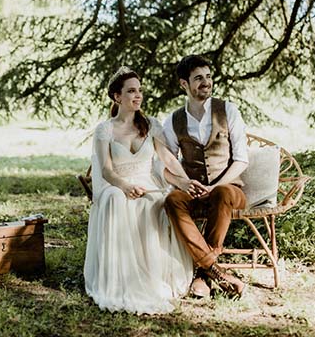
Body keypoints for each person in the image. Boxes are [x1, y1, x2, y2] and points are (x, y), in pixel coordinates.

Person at [84, 66, 195, 314]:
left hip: (147, 183)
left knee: (153, 201)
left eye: (140, 90)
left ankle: (155, 275)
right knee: (115, 199)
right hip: (118, 183)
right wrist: (125, 186)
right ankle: (118, 278)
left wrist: (185, 180)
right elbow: (106, 170)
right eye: (131, 91)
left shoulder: (151, 125)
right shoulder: (105, 130)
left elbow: (167, 158)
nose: (138, 95)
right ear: (117, 96)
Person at [162, 54, 248, 299]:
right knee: (172, 200)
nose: (206, 82)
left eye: (208, 77)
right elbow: (166, 167)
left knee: (221, 192)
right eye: (198, 78)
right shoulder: (174, 120)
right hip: (195, 193)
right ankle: (215, 271)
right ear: (184, 84)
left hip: (229, 191)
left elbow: (242, 160)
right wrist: (183, 183)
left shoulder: (228, 110)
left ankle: (203, 272)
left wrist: (215, 186)